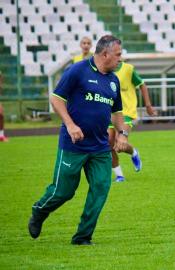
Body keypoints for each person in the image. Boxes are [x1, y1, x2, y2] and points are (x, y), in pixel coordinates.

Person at [28, 35, 129, 245]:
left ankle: (83, 237)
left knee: (101, 189)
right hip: (73, 145)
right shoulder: (77, 70)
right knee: (63, 192)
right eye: (118, 55)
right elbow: (56, 98)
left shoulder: (113, 80)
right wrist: (70, 124)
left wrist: (122, 134)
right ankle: (39, 211)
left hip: (100, 147)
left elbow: (117, 112)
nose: (121, 59)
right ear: (105, 54)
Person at [108, 61, 156, 182]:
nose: (118, 56)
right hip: (108, 112)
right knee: (109, 144)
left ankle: (134, 152)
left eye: (119, 53)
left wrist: (148, 105)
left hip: (126, 113)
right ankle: (119, 176)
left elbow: (142, 84)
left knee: (120, 145)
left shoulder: (128, 69)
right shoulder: (103, 69)